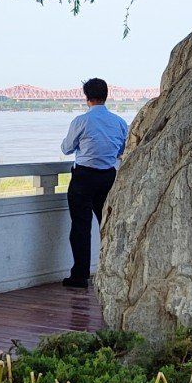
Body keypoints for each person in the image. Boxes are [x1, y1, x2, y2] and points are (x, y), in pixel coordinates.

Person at [60, 77, 129, 289]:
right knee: (108, 224)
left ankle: (80, 276)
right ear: (106, 96)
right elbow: (121, 151)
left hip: (83, 176)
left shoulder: (81, 121)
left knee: (81, 226)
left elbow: (66, 148)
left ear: (86, 97)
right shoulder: (119, 122)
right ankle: (115, 273)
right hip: (108, 177)